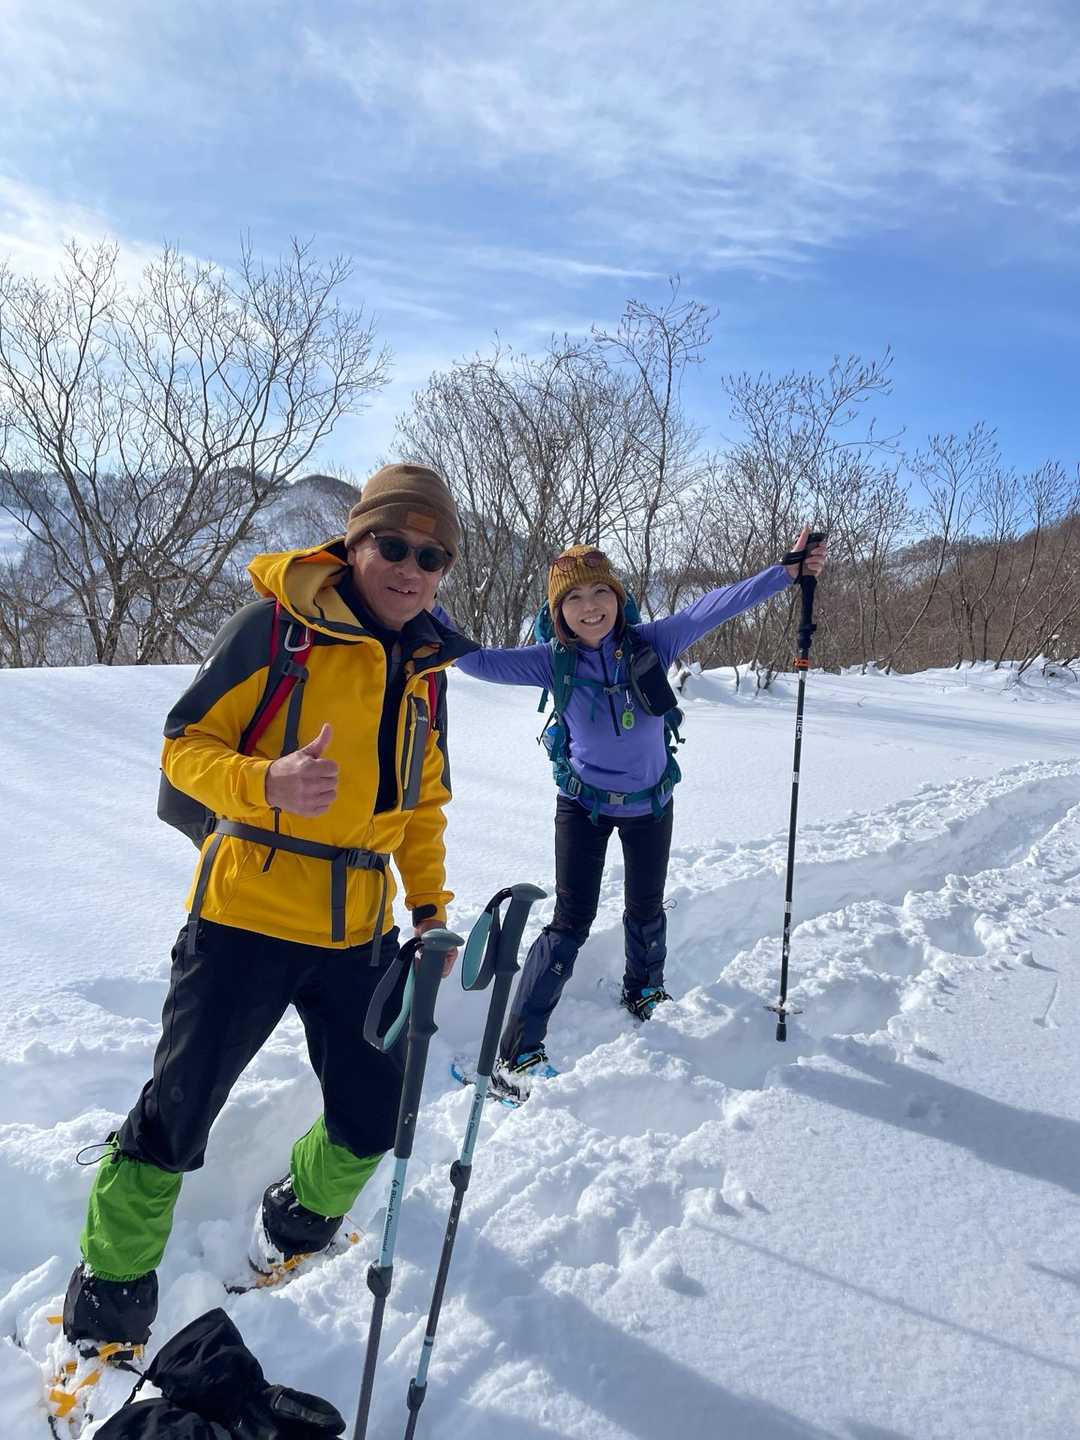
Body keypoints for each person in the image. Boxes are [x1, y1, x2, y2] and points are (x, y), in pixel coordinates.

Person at [63, 464, 475, 1354]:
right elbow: (184, 748)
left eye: (431, 555)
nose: (410, 568)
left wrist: (429, 908)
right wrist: (266, 783)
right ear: (355, 543)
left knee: (374, 1115)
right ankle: (109, 1294)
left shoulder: (426, 671)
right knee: (176, 1114)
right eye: (393, 545)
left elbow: (423, 808)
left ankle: (294, 1224)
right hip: (242, 918)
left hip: (357, 930)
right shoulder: (277, 630)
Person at [453, 528, 828, 1102]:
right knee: (570, 921)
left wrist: (785, 573)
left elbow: (714, 607)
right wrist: (422, 614)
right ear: (557, 612)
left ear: (618, 596)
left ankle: (644, 989)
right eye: (574, 599)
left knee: (646, 905)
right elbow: (478, 662)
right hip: (582, 806)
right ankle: (517, 1051)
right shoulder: (552, 663)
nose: (590, 607)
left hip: (651, 803)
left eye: (600, 592)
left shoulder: (653, 641)